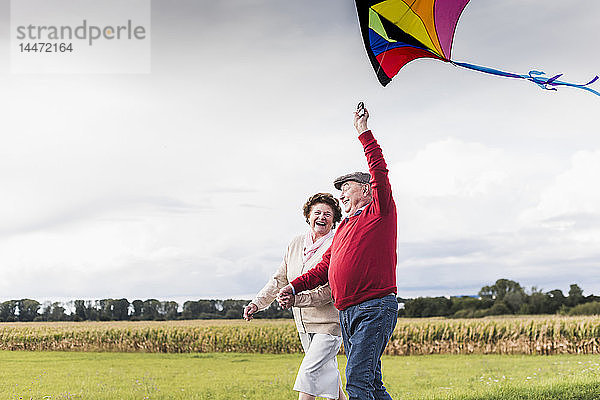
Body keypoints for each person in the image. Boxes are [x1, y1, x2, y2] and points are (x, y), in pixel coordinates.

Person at [278, 106, 398, 400]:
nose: (341, 193)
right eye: (340, 189)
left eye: (347, 187)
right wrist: (294, 285)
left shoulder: (379, 212)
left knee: (357, 381)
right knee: (371, 383)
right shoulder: (344, 227)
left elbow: (379, 170)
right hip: (348, 311)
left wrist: (363, 131)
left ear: (367, 190)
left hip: (373, 307)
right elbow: (324, 268)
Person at [243, 193, 348, 400]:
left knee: (309, 373)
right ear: (308, 216)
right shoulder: (296, 242)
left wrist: (296, 299)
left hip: (329, 324)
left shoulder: (338, 243)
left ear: (334, 219)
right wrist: (257, 303)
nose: (322, 217)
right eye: (317, 212)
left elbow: (330, 290)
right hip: (303, 324)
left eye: (328, 214)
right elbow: (280, 279)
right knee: (328, 376)